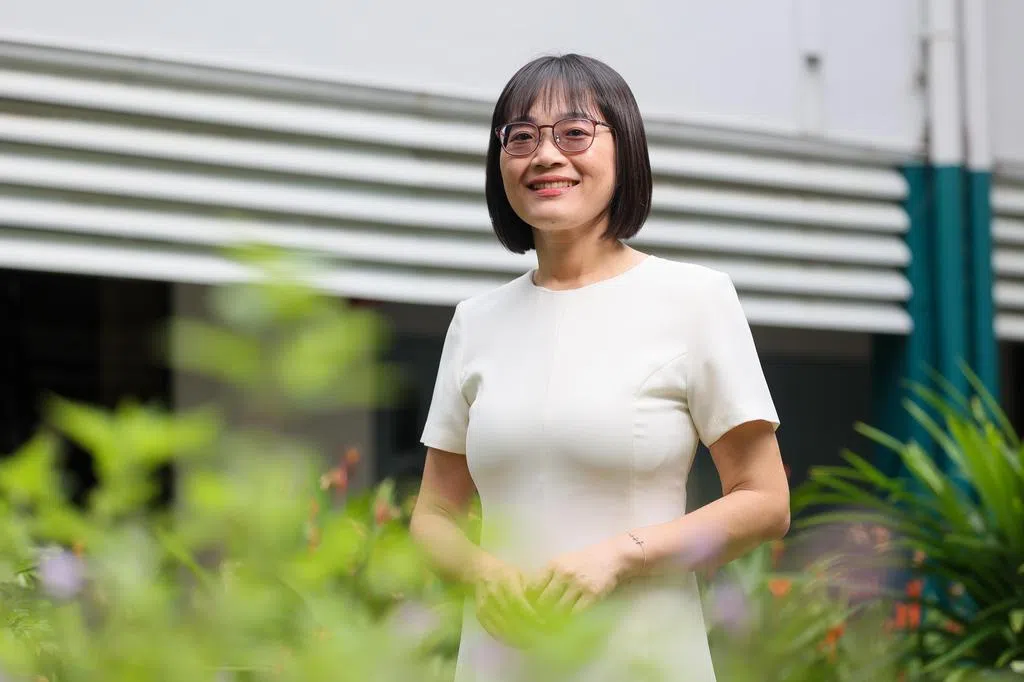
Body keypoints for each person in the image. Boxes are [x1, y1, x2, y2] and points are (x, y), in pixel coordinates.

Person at [409, 53, 790, 682]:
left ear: (626, 149)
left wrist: (620, 556)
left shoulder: (695, 299)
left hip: (643, 657)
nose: (545, 156)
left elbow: (765, 501)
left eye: (574, 132)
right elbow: (433, 516)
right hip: (502, 658)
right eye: (521, 136)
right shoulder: (475, 321)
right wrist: (484, 572)